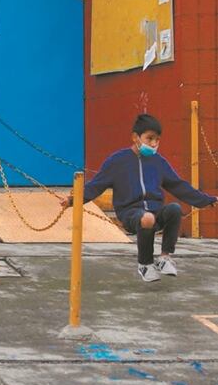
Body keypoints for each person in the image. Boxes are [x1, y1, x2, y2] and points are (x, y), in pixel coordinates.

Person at [66, 114, 216, 282]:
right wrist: (73, 200)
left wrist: (206, 200)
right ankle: (145, 264)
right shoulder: (117, 161)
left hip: (155, 212)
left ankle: (164, 257)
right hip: (130, 214)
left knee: (174, 208)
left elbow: (178, 185)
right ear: (135, 137)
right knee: (147, 218)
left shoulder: (158, 162)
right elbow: (97, 185)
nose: (153, 144)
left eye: (157, 140)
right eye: (149, 138)